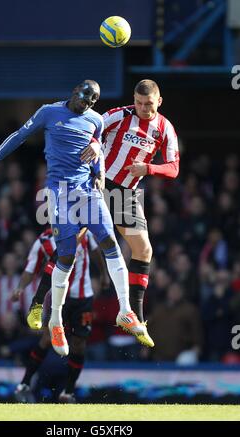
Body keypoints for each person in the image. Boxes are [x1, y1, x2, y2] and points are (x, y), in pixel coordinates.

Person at [0, 79, 146, 358]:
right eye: (85, 97)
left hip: (88, 192)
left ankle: (125, 310)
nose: (88, 103)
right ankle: (56, 320)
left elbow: (99, 150)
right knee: (66, 255)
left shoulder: (95, 120)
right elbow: (17, 137)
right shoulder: (49, 112)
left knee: (110, 240)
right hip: (60, 194)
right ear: (74, 92)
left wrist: (98, 171)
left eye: (93, 100)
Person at [101, 79, 180, 347]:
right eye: (138, 103)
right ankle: (40, 302)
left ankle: (134, 316)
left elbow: (173, 168)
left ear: (159, 101)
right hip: (99, 186)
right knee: (71, 244)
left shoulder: (165, 128)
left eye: (148, 104)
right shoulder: (117, 115)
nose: (143, 108)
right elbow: (89, 131)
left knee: (143, 250)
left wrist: (149, 169)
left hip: (125, 194)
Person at [13, 228, 109, 403]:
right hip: (59, 299)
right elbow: (31, 268)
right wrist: (20, 287)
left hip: (83, 299)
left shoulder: (84, 233)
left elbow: (95, 251)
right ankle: (25, 383)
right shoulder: (44, 240)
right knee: (47, 338)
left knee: (79, 344)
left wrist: (103, 274)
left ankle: (68, 391)